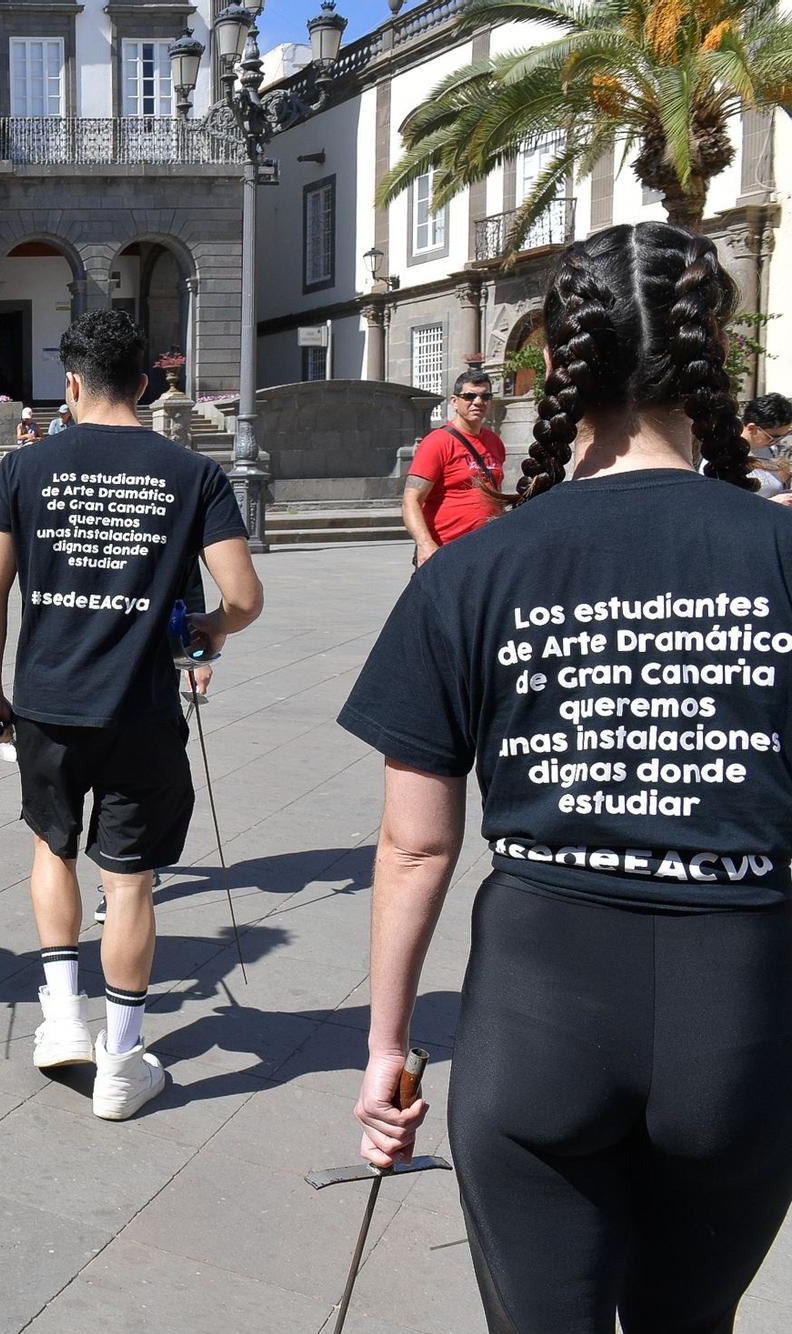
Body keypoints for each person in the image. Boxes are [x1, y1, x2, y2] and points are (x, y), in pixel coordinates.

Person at [339, 222, 792, 1332]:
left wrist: (385, 1047)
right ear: (712, 361)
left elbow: (414, 844)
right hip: (740, 1011)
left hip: (539, 1004)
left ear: (553, 367)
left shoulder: (475, 569)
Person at [0, 309, 262, 1122]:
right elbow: (242, 597)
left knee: (50, 848)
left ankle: (61, 1016)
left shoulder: (22, 469)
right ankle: (123, 1064)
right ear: (144, 381)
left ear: (70, 383)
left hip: (50, 704)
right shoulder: (193, 472)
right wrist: (210, 632)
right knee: (130, 883)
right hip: (141, 709)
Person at [404, 369, 507, 564]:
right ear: (454, 401)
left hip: (488, 549)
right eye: (469, 396)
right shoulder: (437, 442)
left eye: (485, 396)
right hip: (446, 550)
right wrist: (425, 544)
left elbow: (496, 493)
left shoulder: (495, 442)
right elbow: (411, 500)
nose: (478, 402)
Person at [738, 393, 792, 503]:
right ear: (752, 428)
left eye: (783, 436)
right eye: (773, 437)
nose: (776, 442)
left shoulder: (770, 450)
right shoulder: (724, 453)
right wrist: (772, 503)